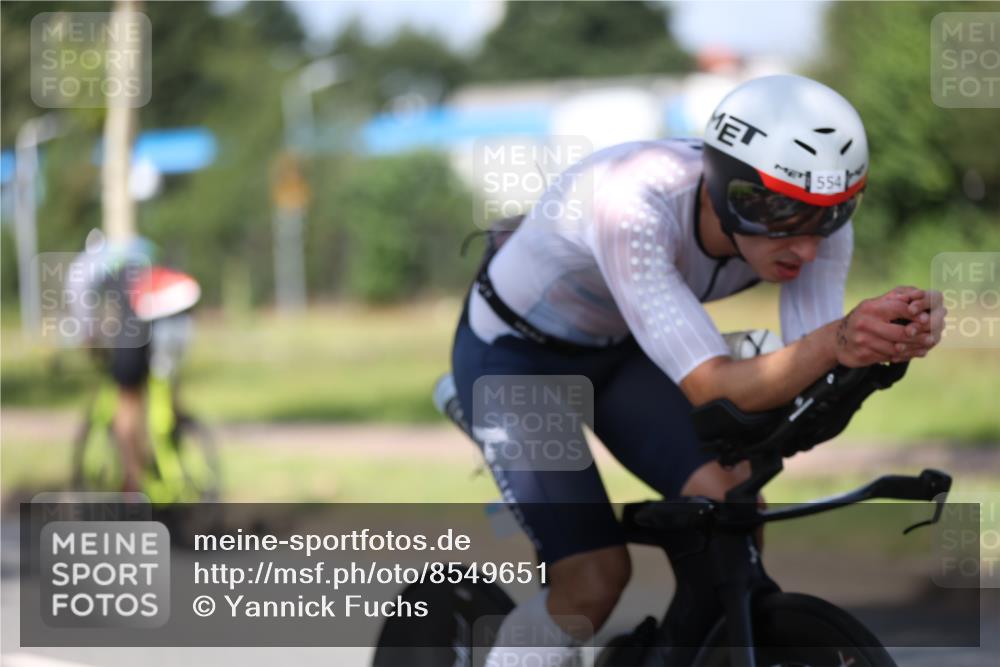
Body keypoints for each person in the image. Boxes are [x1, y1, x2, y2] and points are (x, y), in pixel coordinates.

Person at [448, 75, 945, 665]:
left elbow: (811, 375)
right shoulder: (631, 206)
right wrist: (839, 341)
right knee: (594, 579)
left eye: (834, 214)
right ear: (728, 192)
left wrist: (878, 346)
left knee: (731, 508)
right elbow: (715, 383)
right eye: (784, 213)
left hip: (621, 349)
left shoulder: (813, 225)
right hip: (517, 358)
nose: (809, 246)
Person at [67, 230, 200, 493]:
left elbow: (81, 306)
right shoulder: (144, 248)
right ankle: (170, 451)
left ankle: (133, 488)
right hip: (171, 329)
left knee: (126, 406)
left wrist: (90, 340)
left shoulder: (88, 263)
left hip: (133, 332)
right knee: (161, 397)